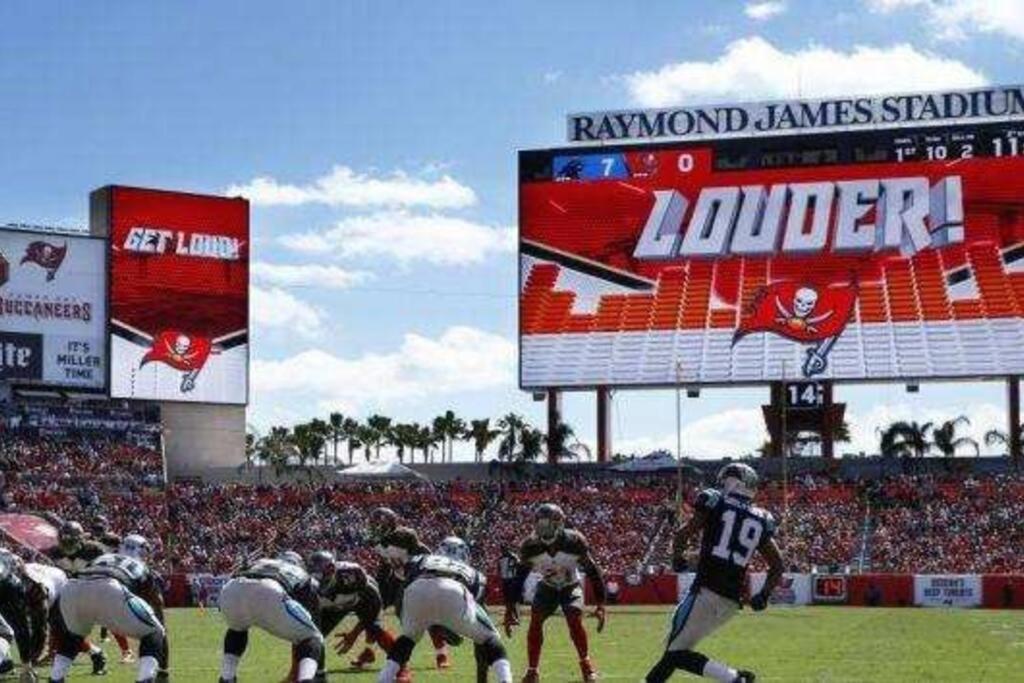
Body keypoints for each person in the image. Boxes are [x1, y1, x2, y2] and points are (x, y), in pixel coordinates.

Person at [644, 464, 786, 683]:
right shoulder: (761, 517)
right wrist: (764, 595)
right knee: (675, 651)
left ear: (733, 482)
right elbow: (777, 565)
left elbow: (683, 534)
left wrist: (678, 559)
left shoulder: (715, 500)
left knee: (675, 653)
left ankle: (736, 678)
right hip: (731, 603)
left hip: (705, 592)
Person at [505, 504, 606, 683]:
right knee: (535, 621)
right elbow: (519, 577)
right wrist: (510, 606)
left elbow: (593, 571)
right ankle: (532, 671)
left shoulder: (574, 541)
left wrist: (601, 605)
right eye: (539, 524)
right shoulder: (530, 545)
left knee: (574, 617)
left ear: (559, 524)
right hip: (547, 586)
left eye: (547, 524)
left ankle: (586, 665)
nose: (542, 528)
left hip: (570, 586)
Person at [48, 534, 168, 683]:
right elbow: (157, 605)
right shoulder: (142, 567)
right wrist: (163, 669)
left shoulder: (102, 558)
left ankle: (55, 678)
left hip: (72, 587)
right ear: (143, 551)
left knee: (72, 637)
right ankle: (145, 679)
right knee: (154, 632)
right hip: (110, 587)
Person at [377, 553, 512, 683]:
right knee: (490, 637)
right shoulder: (475, 574)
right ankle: (505, 679)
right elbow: (476, 607)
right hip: (454, 590)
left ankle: (384, 678)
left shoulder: (422, 558)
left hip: (416, 589)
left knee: (408, 638)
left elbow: (405, 579)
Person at [368, 507, 453, 669]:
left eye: (376, 524)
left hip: (415, 578)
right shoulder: (378, 542)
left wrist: (431, 571)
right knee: (372, 612)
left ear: (388, 524)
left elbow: (423, 551)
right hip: (397, 579)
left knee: (427, 616)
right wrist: (382, 581)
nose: (373, 527)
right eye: (373, 524)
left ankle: (441, 653)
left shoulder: (404, 536)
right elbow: (386, 560)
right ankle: (369, 650)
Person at [217, 554, 323, 683]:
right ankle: (306, 679)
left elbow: (237, 574)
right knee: (312, 637)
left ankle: (227, 677)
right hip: (269, 590)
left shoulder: (260, 561)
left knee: (237, 629)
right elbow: (310, 608)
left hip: (231, 589)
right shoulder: (300, 572)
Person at [306, 551, 407, 681]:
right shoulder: (308, 584)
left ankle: (401, 667)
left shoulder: (352, 573)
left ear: (332, 568)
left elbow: (369, 604)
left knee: (374, 629)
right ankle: (308, 673)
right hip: (336, 604)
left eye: (321, 573)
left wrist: (355, 633)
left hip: (363, 598)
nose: (318, 578)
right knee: (310, 634)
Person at [0, 548, 50, 681]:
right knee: (17, 629)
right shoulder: (6, 553)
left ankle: (8, 663)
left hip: (7, 586)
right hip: (8, 586)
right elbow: (22, 570)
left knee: (9, 631)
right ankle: (26, 668)